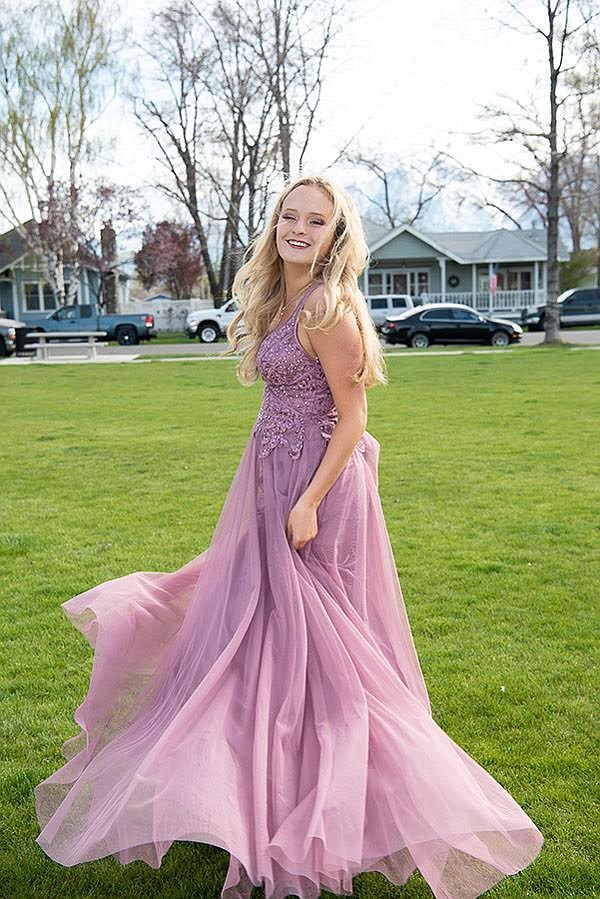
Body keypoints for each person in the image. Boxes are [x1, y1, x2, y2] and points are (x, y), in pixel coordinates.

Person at [34, 174, 544, 899]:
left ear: (337, 236)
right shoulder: (283, 298)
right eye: (290, 217)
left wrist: (307, 502)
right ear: (276, 224)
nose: (300, 229)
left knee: (318, 642)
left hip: (316, 486)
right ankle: (257, 789)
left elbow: (355, 417)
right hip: (271, 475)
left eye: (317, 221)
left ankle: (343, 797)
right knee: (254, 624)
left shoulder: (331, 305)